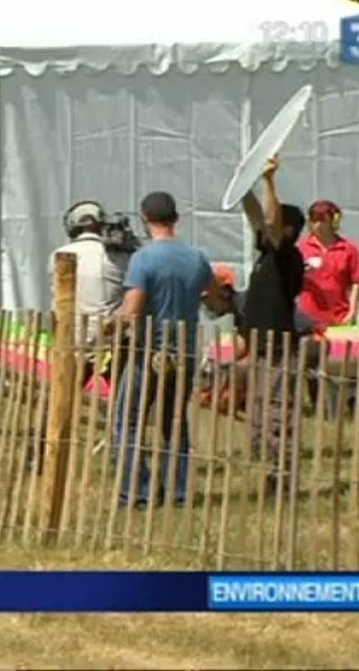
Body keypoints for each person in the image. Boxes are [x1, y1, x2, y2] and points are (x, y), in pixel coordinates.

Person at [112, 191, 221, 509]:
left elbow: (132, 310)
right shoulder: (197, 257)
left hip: (149, 353)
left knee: (128, 422)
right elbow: (214, 298)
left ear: (144, 217)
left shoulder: (143, 258)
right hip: (184, 353)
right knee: (174, 422)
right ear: (175, 218)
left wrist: (109, 323)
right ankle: (179, 491)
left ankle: (138, 491)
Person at [236, 156, 306, 489]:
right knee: (262, 407)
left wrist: (268, 182)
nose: (263, 225)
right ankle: (270, 468)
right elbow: (256, 219)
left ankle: (283, 474)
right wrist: (243, 184)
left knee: (278, 409)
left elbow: (271, 224)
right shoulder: (266, 255)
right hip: (260, 342)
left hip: (279, 343)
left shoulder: (286, 255)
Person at [296, 199, 359, 417]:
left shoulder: (348, 249)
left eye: (322, 220)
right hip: (310, 315)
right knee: (311, 361)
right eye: (313, 220)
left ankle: (351, 404)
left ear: (333, 221)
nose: (317, 225)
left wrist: (353, 311)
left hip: (338, 315)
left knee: (344, 363)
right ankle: (318, 406)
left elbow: (356, 281)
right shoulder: (302, 248)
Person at [51, 200, 130, 378]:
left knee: (68, 391)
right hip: (110, 339)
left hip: (73, 337)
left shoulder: (58, 254)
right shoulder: (118, 256)